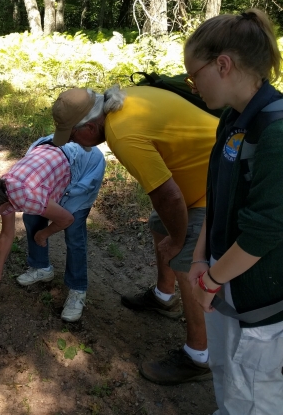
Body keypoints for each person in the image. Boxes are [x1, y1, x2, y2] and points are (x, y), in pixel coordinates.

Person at [50, 84, 218, 385]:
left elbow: (169, 197)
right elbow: (165, 198)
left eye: (74, 135)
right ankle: (164, 297)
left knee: (185, 261)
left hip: (216, 186)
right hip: (194, 177)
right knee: (159, 224)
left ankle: (199, 356)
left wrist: (178, 240)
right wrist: (170, 229)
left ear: (89, 127)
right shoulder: (123, 99)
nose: (74, 142)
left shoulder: (121, 133)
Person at [181, 9, 283, 415]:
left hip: (261, 295)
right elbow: (218, 196)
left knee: (256, 389)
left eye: (193, 75)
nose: (193, 85)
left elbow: (266, 227)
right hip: (225, 278)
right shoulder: (231, 120)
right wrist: (201, 260)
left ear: (223, 64)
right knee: (226, 369)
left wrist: (210, 280)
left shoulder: (276, 131)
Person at [0, 135, 105, 322]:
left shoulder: (26, 196)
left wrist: (44, 234)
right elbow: (7, 234)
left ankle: (77, 290)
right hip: (56, 158)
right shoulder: (2, 192)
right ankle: (42, 268)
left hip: (85, 162)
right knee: (32, 215)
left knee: (74, 232)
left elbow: (66, 219)